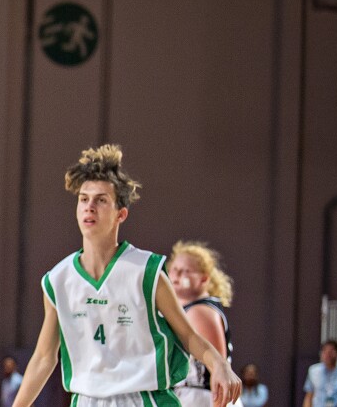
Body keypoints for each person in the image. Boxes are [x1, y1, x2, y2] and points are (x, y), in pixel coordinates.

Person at [12, 144, 242, 407]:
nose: (89, 207)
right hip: (87, 401)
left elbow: (188, 336)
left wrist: (220, 365)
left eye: (101, 200)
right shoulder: (58, 280)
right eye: (84, 199)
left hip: (143, 399)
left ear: (121, 214)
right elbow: (44, 356)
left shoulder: (146, 270)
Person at [168, 241, 237, 406]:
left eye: (185, 271)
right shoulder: (187, 309)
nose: (177, 275)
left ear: (204, 278)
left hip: (202, 397)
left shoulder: (201, 311)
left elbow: (219, 368)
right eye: (174, 269)